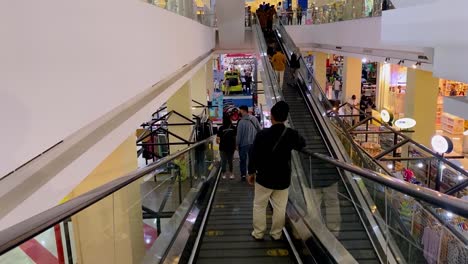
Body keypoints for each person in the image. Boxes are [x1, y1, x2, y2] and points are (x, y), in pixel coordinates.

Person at [248, 101, 306, 240]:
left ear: (271, 116)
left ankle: (259, 232)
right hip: (282, 178)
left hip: (264, 177)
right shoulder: (291, 134)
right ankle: (276, 234)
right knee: (280, 207)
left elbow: (254, 154)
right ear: (286, 118)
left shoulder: (262, 134)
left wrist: (251, 172)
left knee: (259, 205)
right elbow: (302, 144)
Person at [236, 105, 262, 181]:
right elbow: (260, 130)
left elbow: (239, 135)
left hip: (243, 145)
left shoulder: (241, 122)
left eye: (240, 110)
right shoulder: (254, 118)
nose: (239, 112)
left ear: (243, 111)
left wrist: (237, 144)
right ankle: (252, 174)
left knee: (243, 160)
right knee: (252, 160)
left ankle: (243, 175)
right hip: (254, 144)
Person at [217, 114, 237, 180]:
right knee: (230, 161)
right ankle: (231, 174)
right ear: (229, 119)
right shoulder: (233, 127)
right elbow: (235, 138)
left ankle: (224, 174)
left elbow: (217, 139)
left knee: (223, 161)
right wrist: (235, 146)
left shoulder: (221, 128)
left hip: (222, 147)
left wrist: (219, 142)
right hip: (231, 147)